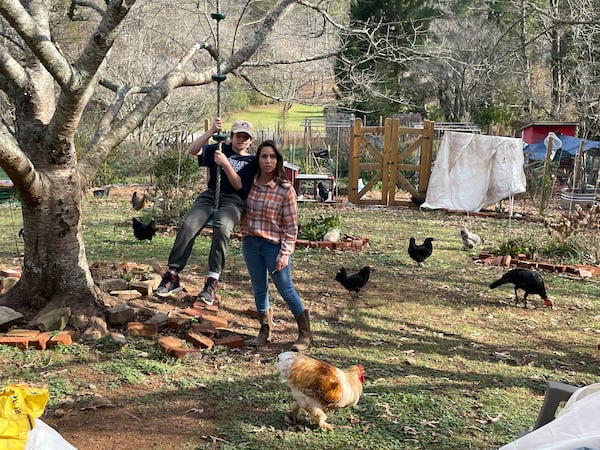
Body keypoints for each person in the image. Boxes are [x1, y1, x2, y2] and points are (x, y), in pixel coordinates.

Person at [154, 118, 257, 305]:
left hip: (233, 200)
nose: (241, 139)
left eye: (246, 137)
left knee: (222, 227)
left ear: (250, 141)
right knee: (188, 224)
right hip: (210, 195)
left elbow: (239, 186)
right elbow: (193, 150)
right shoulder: (218, 148)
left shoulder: (252, 161)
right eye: (238, 136)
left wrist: (225, 164)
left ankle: (212, 280)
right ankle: (173, 275)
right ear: (231, 136)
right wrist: (211, 131)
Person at [240, 140, 312, 351]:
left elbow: (291, 227)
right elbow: (240, 208)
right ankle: (265, 330)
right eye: (264, 156)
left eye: (272, 157)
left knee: (286, 288)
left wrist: (285, 253)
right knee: (259, 288)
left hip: (274, 247)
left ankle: (305, 333)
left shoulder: (285, 190)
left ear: (278, 160)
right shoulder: (249, 183)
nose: (268, 161)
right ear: (258, 159)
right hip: (251, 244)